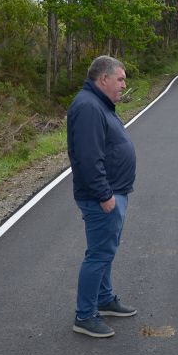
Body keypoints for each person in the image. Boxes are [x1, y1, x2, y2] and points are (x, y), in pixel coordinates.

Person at [66, 55, 138, 338]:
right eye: (120, 79)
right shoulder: (87, 107)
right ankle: (85, 315)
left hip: (113, 192)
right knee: (98, 255)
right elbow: (87, 157)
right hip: (102, 197)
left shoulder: (99, 104)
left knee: (106, 251)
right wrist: (104, 194)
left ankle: (104, 299)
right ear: (103, 78)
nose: (123, 84)